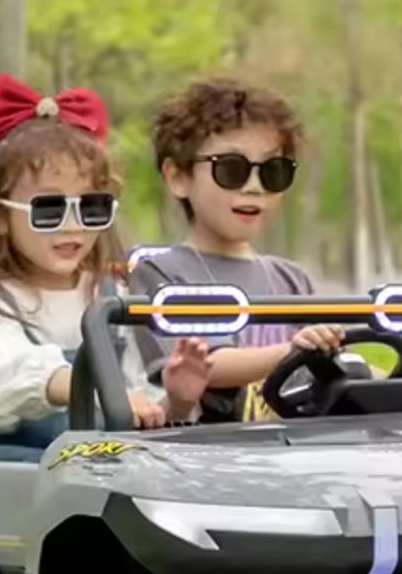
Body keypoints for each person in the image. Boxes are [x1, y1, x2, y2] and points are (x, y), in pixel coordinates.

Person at [0, 74, 210, 461]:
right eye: (48, 209)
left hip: (101, 462)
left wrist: (176, 401)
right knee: (72, 473)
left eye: (91, 207)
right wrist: (93, 385)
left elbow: (134, 403)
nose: (73, 224)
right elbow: (2, 377)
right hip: (15, 467)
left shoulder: (109, 297)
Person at [130, 78, 343, 422]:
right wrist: (294, 352)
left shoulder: (291, 279)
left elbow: (328, 368)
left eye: (273, 172)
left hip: (299, 454)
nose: (254, 187)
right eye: (232, 169)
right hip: (212, 460)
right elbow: (204, 367)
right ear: (178, 178)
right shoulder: (161, 275)